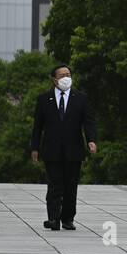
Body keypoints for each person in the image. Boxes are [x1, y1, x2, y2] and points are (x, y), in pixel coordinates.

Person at [29, 64, 98, 230]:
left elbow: (88, 122)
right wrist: (35, 148)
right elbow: (38, 126)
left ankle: (67, 218)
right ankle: (53, 218)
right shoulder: (44, 99)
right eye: (62, 75)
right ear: (54, 79)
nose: (66, 77)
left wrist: (91, 140)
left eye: (68, 74)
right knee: (54, 185)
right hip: (51, 149)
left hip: (73, 149)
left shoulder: (81, 98)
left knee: (70, 186)